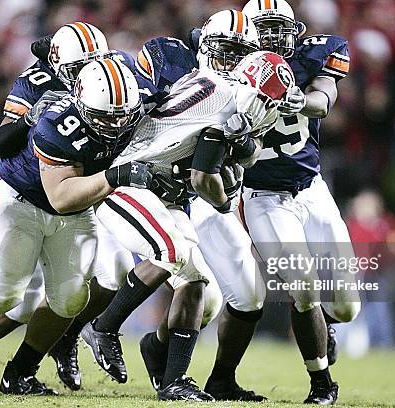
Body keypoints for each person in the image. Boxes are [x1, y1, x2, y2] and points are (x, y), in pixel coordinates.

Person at [0, 58, 152, 395]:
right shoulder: (56, 122)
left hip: (75, 210)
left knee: (70, 300)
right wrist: (117, 175)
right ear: (83, 105)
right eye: (104, 118)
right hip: (23, 200)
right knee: (0, 296)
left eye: (121, 117)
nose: (114, 126)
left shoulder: (129, 108)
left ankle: (20, 372)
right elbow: (61, 196)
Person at [88, 50, 291, 401]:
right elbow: (202, 179)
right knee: (170, 250)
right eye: (269, 102)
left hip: (158, 188)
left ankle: (173, 381)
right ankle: (104, 327)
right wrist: (225, 202)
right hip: (128, 182)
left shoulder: (219, 84)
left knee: (195, 282)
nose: (271, 110)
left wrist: (240, 149)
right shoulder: (233, 105)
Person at [0, 22, 109, 392]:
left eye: (93, 66)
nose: (86, 76)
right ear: (58, 62)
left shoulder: (111, 82)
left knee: (69, 297)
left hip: (79, 201)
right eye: (78, 67)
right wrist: (32, 117)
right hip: (24, 193)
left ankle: (26, 362)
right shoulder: (38, 80)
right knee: (6, 295)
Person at [132, 10, 270, 401]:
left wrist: (242, 142)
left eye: (239, 53)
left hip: (203, 194)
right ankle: (90, 334)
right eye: (224, 51)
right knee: (107, 275)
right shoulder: (170, 60)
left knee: (230, 294)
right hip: (158, 184)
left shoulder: (252, 84)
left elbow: (249, 150)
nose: (231, 61)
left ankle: (179, 360)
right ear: (206, 45)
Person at [239, 0, 361, 404]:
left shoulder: (315, 56)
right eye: (264, 28)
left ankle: (327, 324)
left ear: (296, 29)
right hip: (263, 198)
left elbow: (324, 99)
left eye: (279, 27)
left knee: (346, 309)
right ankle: (321, 383)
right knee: (303, 287)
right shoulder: (231, 71)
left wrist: (294, 99)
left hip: (311, 190)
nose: (272, 36)